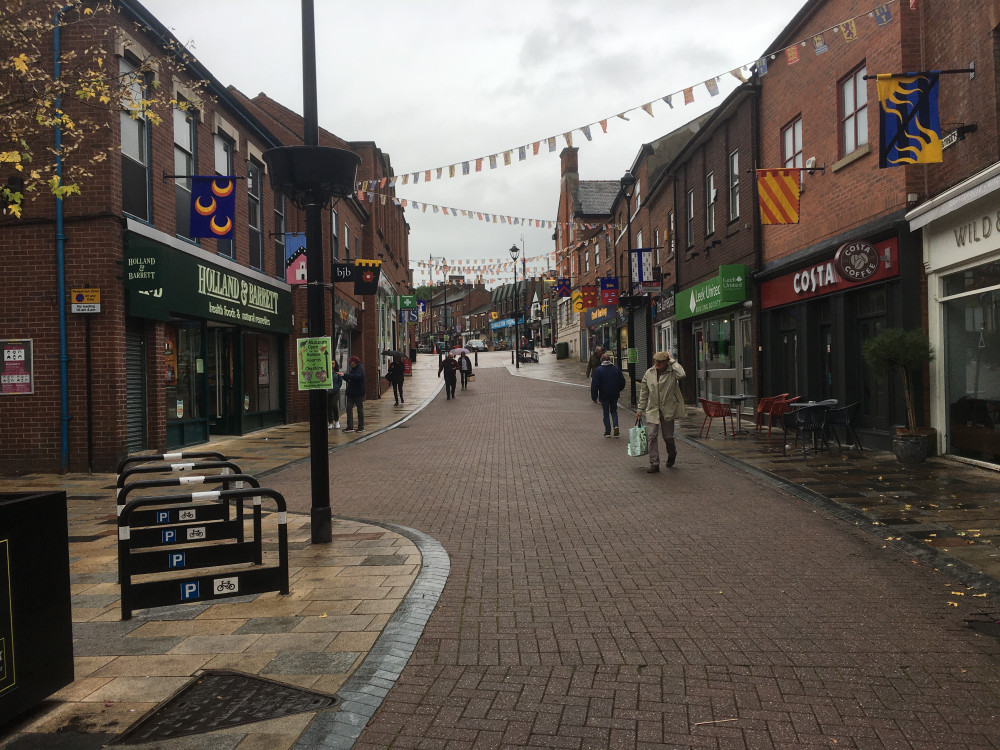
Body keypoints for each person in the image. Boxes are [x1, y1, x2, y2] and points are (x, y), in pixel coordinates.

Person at [636, 351, 686, 473]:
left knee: (668, 437)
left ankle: (672, 454)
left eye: (660, 361)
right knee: (652, 435)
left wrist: (673, 360)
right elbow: (644, 392)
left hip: (668, 409)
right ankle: (654, 463)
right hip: (653, 409)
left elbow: (682, 374)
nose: (656, 363)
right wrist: (640, 408)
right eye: (655, 361)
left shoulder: (672, 372)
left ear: (666, 362)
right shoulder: (649, 373)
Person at [591, 352, 626, 437]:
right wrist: (618, 389)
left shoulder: (598, 370)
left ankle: (607, 432)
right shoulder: (616, 368)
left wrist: (594, 397)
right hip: (614, 394)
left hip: (604, 394)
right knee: (614, 411)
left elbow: (595, 384)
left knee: (606, 412)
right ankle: (616, 426)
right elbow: (622, 382)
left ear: (601, 360)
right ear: (610, 360)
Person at [342, 355, 366, 433]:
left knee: (359, 410)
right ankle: (350, 426)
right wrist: (344, 376)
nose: (350, 363)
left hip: (358, 393)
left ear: (354, 362)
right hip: (351, 393)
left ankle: (361, 426)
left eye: (351, 362)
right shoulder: (353, 369)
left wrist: (346, 375)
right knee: (349, 409)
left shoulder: (360, 369)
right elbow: (350, 379)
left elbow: (358, 377)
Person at [327, 360, 343, 430]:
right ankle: (330, 422)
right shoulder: (326, 372)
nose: (332, 365)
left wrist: (334, 390)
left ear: (335, 364)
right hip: (327, 392)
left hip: (335, 392)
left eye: (333, 363)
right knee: (328, 407)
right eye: (330, 363)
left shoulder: (337, 373)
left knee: (333, 405)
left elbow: (340, 383)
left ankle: (336, 420)